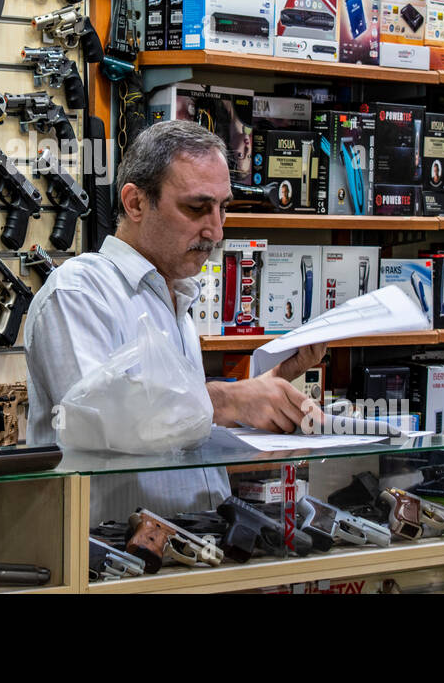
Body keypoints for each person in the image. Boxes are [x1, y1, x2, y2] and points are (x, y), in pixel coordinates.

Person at [24, 120, 326, 521]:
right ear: (135, 203)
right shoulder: (80, 291)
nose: (215, 230)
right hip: (111, 561)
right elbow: (96, 421)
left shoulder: (177, 296)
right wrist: (228, 400)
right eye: (196, 208)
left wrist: (266, 388)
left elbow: (176, 425)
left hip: (199, 547)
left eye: (223, 208)